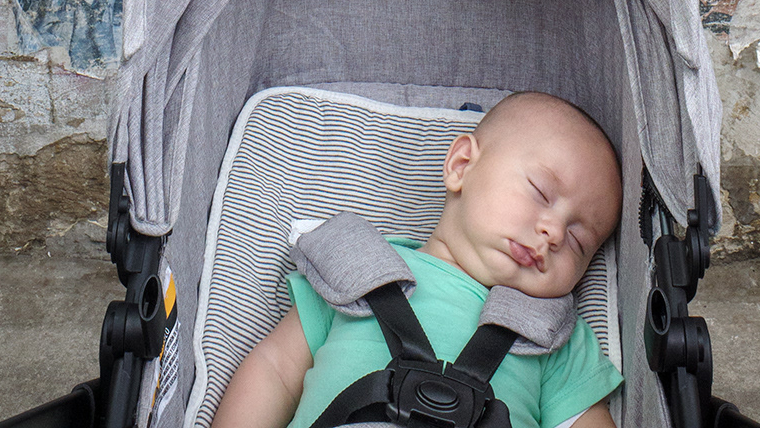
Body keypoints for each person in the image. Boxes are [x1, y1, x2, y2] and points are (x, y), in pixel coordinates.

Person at [212, 92, 623, 428]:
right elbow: (275, 371)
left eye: (578, 240)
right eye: (540, 192)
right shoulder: (355, 271)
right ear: (461, 166)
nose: (554, 233)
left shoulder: (554, 337)